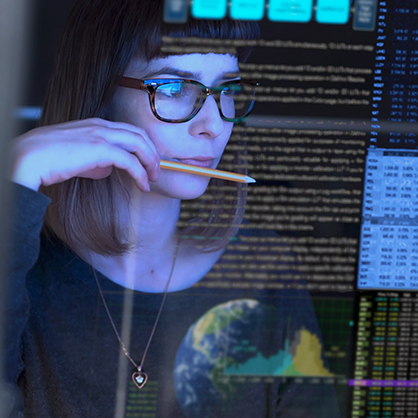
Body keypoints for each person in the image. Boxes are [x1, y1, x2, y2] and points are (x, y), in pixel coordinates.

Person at [3, 0, 341, 416]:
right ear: (99, 93)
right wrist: (16, 178)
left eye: (227, 90)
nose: (214, 125)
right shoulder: (23, 266)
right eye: (174, 88)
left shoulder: (266, 269)